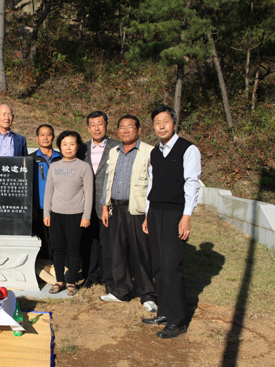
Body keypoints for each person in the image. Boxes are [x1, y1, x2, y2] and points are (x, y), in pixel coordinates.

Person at [142, 106, 201, 339]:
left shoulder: (188, 149)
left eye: (165, 121)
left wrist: (186, 216)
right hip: (155, 211)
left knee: (171, 266)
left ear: (174, 123)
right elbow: (151, 184)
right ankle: (164, 311)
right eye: (157, 122)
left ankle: (178, 320)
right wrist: (147, 214)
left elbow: (192, 183)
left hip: (175, 213)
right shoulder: (155, 152)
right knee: (158, 264)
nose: (161, 126)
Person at [98, 115, 157, 312]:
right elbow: (108, 180)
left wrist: (150, 213)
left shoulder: (149, 152)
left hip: (138, 209)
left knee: (142, 252)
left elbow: (154, 184)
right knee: (117, 251)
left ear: (139, 130)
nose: (125, 130)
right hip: (116, 208)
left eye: (129, 127)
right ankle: (120, 290)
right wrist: (105, 206)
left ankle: (148, 294)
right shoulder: (114, 152)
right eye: (121, 127)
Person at [43, 131, 93, 297]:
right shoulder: (55, 167)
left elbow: (89, 193)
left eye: (72, 144)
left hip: (76, 215)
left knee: (73, 250)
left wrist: (86, 216)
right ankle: (59, 280)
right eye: (65, 144)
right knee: (58, 249)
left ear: (78, 146)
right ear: (60, 147)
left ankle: (70, 280)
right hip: (56, 214)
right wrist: (46, 213)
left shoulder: (84, 167)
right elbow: (49, 191)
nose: (68, 147)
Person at [77, 111, 119, 290]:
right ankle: (90, 276)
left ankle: (111, 279)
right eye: (93, 125)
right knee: (88, 243)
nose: (96, 128)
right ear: (88, 128)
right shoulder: (82, 149)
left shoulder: (117, 147)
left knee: (110, 244)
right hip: (86, 205)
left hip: (108, 205)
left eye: (100, 124)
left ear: (107, 126)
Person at [30, 124, 62, 259]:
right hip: (39, 208)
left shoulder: (61, 157)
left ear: (53, 137)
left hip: (60, 207)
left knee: (59, 242)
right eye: (42, 135)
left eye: (48, 134)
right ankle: (42, 272)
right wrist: (31, 207)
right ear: (37, 138)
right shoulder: (30, 159)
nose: (45, 137)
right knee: (41, 243)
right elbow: (27, 185)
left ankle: (59, 272)